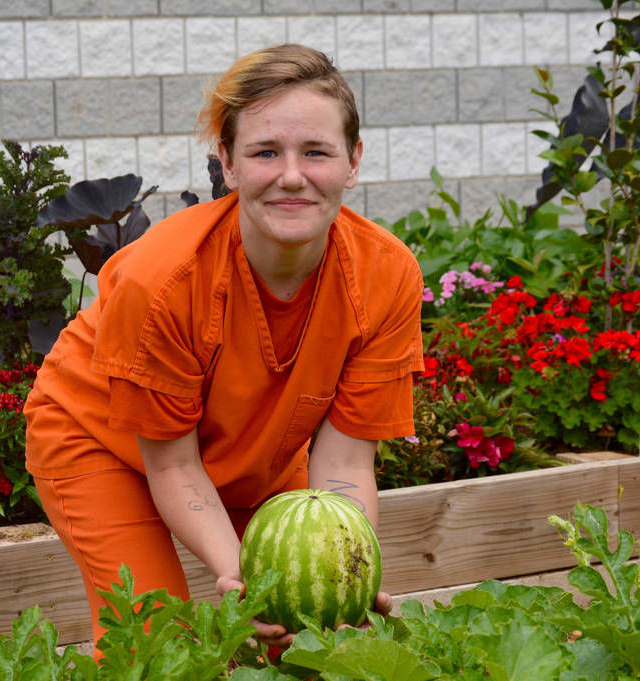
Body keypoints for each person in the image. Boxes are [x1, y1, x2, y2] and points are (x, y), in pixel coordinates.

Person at [23, 43, 424, 649]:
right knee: (160, 644)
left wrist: (349, 571)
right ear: (229, 165)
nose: (292, 175)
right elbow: (173, 464)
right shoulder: (162, 280)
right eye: (266, 152)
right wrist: (243, 576)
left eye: (316, 152)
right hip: (101, 441)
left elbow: (343, 468)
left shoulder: (386, 275)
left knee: (295, 638)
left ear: (353, 161)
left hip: (248, 448)